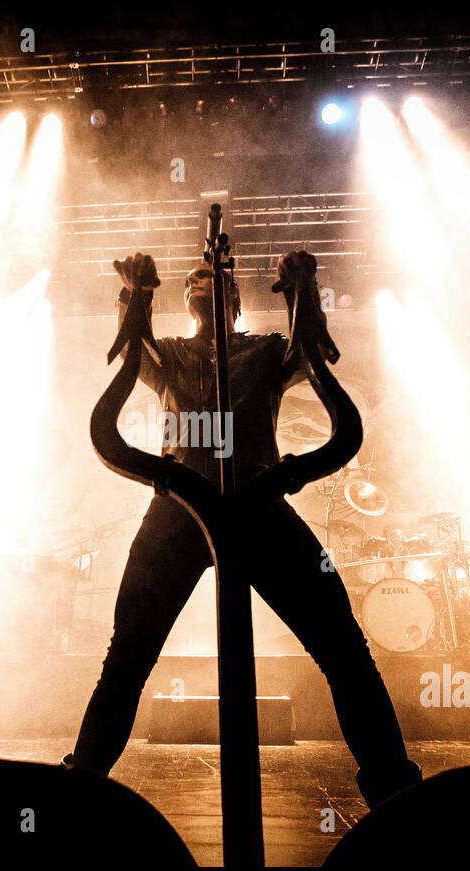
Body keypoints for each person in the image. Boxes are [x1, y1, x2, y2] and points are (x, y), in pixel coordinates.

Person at [66, 250, 421, 808]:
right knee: (128, 655)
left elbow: (314, 354)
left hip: (259, 504)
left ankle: (396, 791)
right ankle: (81, 788)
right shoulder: (170, 353)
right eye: (190, 281)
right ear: (183, 301)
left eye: (209, 277)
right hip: (180, 506)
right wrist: (134, 295)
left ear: (233, 298)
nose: (198, 283)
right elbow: (130, 353)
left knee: (344, 650)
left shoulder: (268, 349)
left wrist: (305, 290)